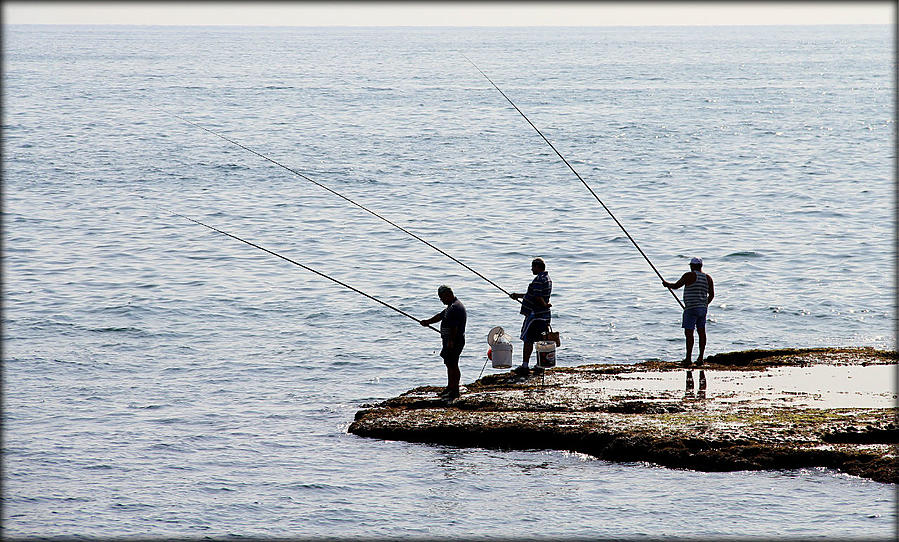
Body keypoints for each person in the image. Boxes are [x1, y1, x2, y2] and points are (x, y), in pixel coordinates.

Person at [662, 257, 714, 367]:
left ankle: (688, 358)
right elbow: (712, 295)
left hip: (691, 309)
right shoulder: (708, 278)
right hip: (702, 309)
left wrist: (667, 284)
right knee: (701, 332)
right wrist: (704, 304)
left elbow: (676, 286)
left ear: (692, 266)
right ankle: (700, 358)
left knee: (689, 333)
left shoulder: (689, 275)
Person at [419, 285, 466, 400]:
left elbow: (454, 328)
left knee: (453, 364)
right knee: (450, 364)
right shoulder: (451, 306)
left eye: (442, 297)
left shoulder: (454, 308)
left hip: (454, 341)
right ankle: (451, 387)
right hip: (452, 340)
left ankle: (454, 389)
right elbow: (440, 316)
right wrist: (427, 322)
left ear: (449, 295)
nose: (441, 300)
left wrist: (450, 342)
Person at [509, 257, 552, 376]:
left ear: (538, 267)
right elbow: (533, 295)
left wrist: (544, 304)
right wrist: (518, 295)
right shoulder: (547, 279)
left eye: (533, 266)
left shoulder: (538, 279)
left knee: (528, 340)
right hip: (544, 316)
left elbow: (538, 297)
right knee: (541, 340)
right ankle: (540, 365)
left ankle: (525, 366)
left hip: (535, 316)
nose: (531, 269)